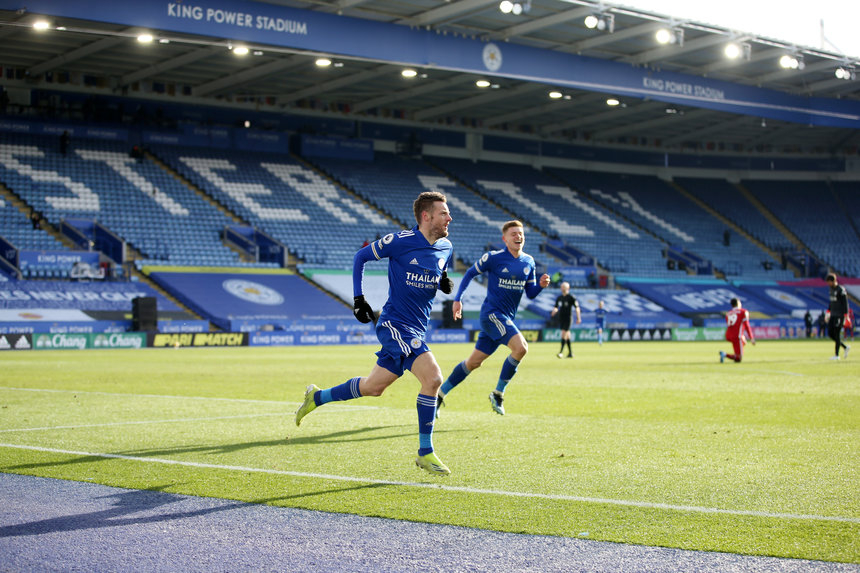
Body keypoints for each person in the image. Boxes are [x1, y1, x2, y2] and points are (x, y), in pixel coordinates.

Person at [294, 191, 455, 475]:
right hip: (395, 324)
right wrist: (358, 299)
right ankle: (425, 452)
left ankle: (316, 397)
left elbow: (435, 268)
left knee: (373, 388)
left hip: (417, 327)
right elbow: (361, 257)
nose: (449, 218)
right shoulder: (400, 242)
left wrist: (441, 280)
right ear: (426, 216)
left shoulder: (446, 248)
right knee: (434, 378)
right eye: (443, 213)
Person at [437, 220, 550, 416]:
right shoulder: (494, 258)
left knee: (473, 363)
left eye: (520, 233)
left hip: (504, 318)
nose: (518, 237)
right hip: (492, 315)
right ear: (504, 239)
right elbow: (469, 274)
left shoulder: (529, 262)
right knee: (521, 348)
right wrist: (458, 299)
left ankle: (439, 394)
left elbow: (530, 293)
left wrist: (540, 285)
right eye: (513, 234)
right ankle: (498, 393)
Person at [720, 297, 755, 363]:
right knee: (739, 358)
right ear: (738, 303)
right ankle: (724, 354)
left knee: (743, 342)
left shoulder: (728, 313)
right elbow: (747, 325)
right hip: (737, 336)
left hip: (729, 335)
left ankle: (737, 349)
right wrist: (751, 337)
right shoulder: (743, 312)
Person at [551, 281, 581, 358]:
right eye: (561, 287)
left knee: (564, 333)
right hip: (562, 318)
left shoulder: (571, 297)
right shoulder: (559, 298)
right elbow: (556, 307)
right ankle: (570, 353)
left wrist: (578, 317)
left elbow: (577, 308)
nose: (561, 288)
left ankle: (560, 352)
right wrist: (554, 311)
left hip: (568, 318)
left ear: (568, 288)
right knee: (567, 335)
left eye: (563, 287)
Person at [825, 273, 850, 360]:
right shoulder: (831, 290)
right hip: (833, 314)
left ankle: (836, 355)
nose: (828, 284)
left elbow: (845, 303)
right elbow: (831, 302)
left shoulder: (841, 290)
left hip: (840, 315)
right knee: (830, 333)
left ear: (833, 281)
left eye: (829, 282)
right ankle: (845, 347)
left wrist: (846, 316)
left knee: (837, 333)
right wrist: (828, 312)